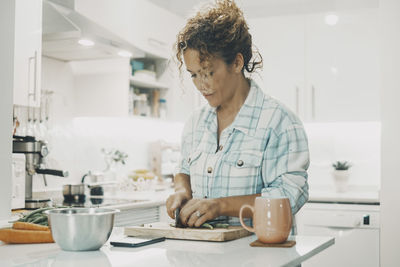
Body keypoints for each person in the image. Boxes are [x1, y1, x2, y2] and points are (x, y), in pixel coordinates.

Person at [166, 0, 310, 229]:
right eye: (194, 75)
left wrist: (220, 206)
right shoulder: (195, 122)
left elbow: (288, 198)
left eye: (208, 73)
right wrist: (182, 191)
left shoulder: (279, 122)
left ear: (236, 62)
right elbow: (183, 170)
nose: (201, 85)